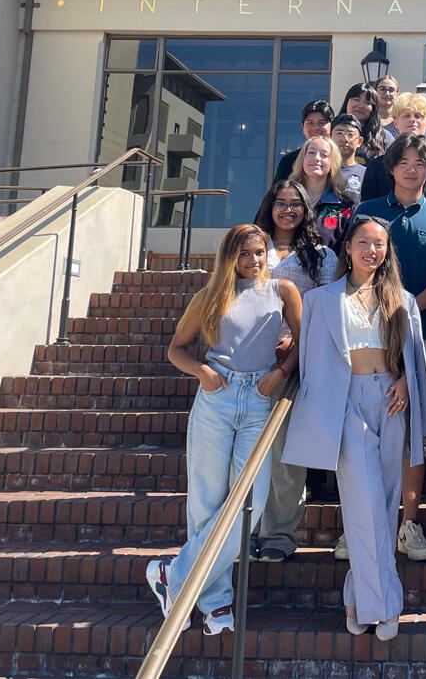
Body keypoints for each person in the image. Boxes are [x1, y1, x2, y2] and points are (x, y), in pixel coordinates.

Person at [282, 215, 426, 639]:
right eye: (365, 242)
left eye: (381, 244)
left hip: (391, 399)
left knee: (385, 504)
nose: (373, 250)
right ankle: (383, 605)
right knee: (365, 500)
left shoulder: (402, 299)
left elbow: (412, 356)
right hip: (344, 403)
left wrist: (405, 381)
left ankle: (355, 590)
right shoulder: (320, 301)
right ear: (347, 247)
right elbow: (313, 365)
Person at [146, 224, 302, 635]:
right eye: (245, 254)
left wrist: (282, 370)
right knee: (207, 502)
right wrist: (200, 371)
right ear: (230, 256)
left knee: (248, 503)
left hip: (259, 399)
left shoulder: (283, 291)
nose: (254, 261)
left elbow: (304, 343)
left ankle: (173, 574)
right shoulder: (210, 295)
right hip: (216, 398)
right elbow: (176, 348)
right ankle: (216, 604)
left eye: (259, 252)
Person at [352, 133, 426, 563]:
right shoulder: (367, 212)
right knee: (365, 432)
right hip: (366, 335)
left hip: (423, 334)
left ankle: (409, 523)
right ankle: (361, 524)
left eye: (420, 163)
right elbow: (353, 270)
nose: (412, 168)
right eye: (404, 161)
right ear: (391, 167)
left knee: (412, 432)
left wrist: (405, 309)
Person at [248, 181, 340, 563]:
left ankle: (278, 535)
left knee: (285, 455)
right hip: (245, 363)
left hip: (294, 364)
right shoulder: (250, 247)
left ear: (306, 210)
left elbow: (329, 312)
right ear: (269, 206)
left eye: (296, 204)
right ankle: (244, 532)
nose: (288, 210)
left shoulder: (321, 256)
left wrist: (294, 344)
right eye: (280, 203)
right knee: (246, 454)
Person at [359, 93, 426, 215]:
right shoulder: (377, 165)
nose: (413, 120)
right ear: (395, 122)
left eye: (418, 116)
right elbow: (366, 209)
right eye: (406, 116)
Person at [289, 135, 358, 236]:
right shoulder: (283, 197)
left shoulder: (345, 206)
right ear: (302, 158)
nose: (316, 158)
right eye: (311, 152)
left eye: (324, 155)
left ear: (332, 163)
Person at [274, 100, 334, 183]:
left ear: (332, 126)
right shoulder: (289, 161)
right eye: (310, 123)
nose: (316, 127)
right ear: (303, 127)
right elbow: (277, 193)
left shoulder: (338, 158)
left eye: (322, 123)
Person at [337, 82, 395, 164]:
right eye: (357, 100)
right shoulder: (332, 132)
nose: (361, 106)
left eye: (368, 103)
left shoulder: (385, 137)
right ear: (347, 101)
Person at [330, 114, 367, 198]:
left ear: (359, 141)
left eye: (350, 134)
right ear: (330, 137)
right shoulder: (322, 170)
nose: (344, 139)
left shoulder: (366, 174)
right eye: (339, 133)